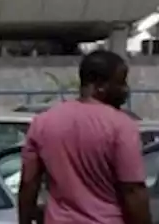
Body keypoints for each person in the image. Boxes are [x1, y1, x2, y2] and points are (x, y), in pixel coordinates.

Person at [19, 50, 151, 224]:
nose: (126, 90)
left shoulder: (43, 122)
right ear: (100, 85)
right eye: (121, 82)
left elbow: (29, 183)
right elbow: (133, 191)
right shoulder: (121, 126)